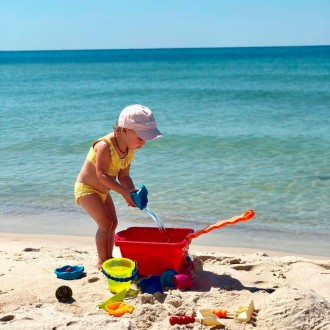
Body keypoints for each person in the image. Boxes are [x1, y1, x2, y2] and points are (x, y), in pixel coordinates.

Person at [74, 104, 162, 269]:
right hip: (86, 189)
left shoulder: (129, 149)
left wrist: (131, 191)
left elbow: (124, 176)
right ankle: (102, 261)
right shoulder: (104, 146)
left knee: (113, 223)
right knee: (105, 223)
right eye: (141, 137)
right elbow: (101, 175)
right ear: (124, 130)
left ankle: (109, 259)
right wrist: (123, 192)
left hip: (103, 191)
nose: (143, 142)